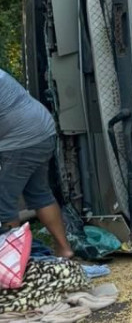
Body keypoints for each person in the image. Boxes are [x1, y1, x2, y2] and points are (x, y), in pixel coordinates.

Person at [0, 67, 73, 258]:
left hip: (21, 140)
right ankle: (64, 250)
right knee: (39, 193)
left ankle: (13, 262)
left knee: (4, 200)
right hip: (42, 131)